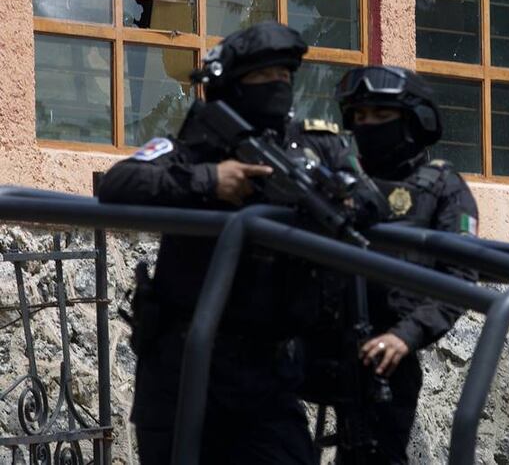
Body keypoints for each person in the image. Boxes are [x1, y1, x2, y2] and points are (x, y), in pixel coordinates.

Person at [98, 23, 384, 465]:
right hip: (183, 370)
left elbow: (371, 200)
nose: (279, 86)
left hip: (266, 379)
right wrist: (210, 180)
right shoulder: (198, 146)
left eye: (285, 77)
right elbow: (120, 181)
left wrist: (337, 196)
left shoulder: (310, 145)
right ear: (231, 87)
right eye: (264, 77)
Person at [322, 65, 479, 464]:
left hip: (385, 355)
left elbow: (458, 280)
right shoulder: (337, 180)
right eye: (359, 117)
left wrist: (405, 336)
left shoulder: (443, 187)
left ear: (414, 121)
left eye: (380, 116)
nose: (367, 126)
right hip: (320, 344)